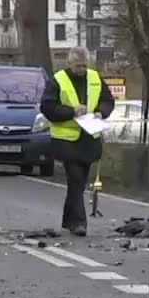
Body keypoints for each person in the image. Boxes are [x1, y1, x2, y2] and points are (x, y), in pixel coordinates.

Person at [40, 47, 115, 236]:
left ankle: (68, 220)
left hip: (89, 138)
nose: (81, 69)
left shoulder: (95, 78)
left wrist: (100, 111)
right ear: (69, 63)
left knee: (79, 183)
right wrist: (72, 111)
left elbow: (108, 101)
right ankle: (80, 223)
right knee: (75, 177)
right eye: (77, 66)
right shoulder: (58, 80)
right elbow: (47, 107)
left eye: (84, 65)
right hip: (65, 139)